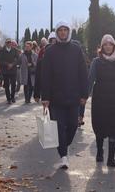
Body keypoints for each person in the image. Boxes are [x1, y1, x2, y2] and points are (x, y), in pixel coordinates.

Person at [41, 21, 88, 169]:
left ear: (68, 32)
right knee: (60, 127)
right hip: (56, 98)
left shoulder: (76, 49)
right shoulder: (50, 51)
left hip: (74, 96)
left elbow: (83, 72)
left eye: (65, 30)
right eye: (60, 30)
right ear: (57, 32)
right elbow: (45, 75)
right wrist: (45, 97)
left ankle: (64, 146)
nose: (62, 32)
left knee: (73, 125)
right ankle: (63, 156)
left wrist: (84, 94)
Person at [88, 34, 115, 168]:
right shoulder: (96, 62)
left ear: (114, 45)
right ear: (102, 46)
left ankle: (111, 158)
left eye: (110, 44)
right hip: (100, 98)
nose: (107, 46)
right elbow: (90, 79)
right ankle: (100, 150)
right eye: (105, 44)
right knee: (99, 125)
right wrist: (84, 96)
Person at [0, 38, 20, 104]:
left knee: (13, 84)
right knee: (6, 85)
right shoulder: (1, 51)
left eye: (10, 42)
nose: (9, 43)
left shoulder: (15, 50)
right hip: (5, 70)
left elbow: (17, 59)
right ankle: (8, 99)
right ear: (5, 43)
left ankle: (12, 97)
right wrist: (7, 64)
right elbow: (0, 60)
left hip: (13, 70)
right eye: (7, 42)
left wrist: (12, 64)